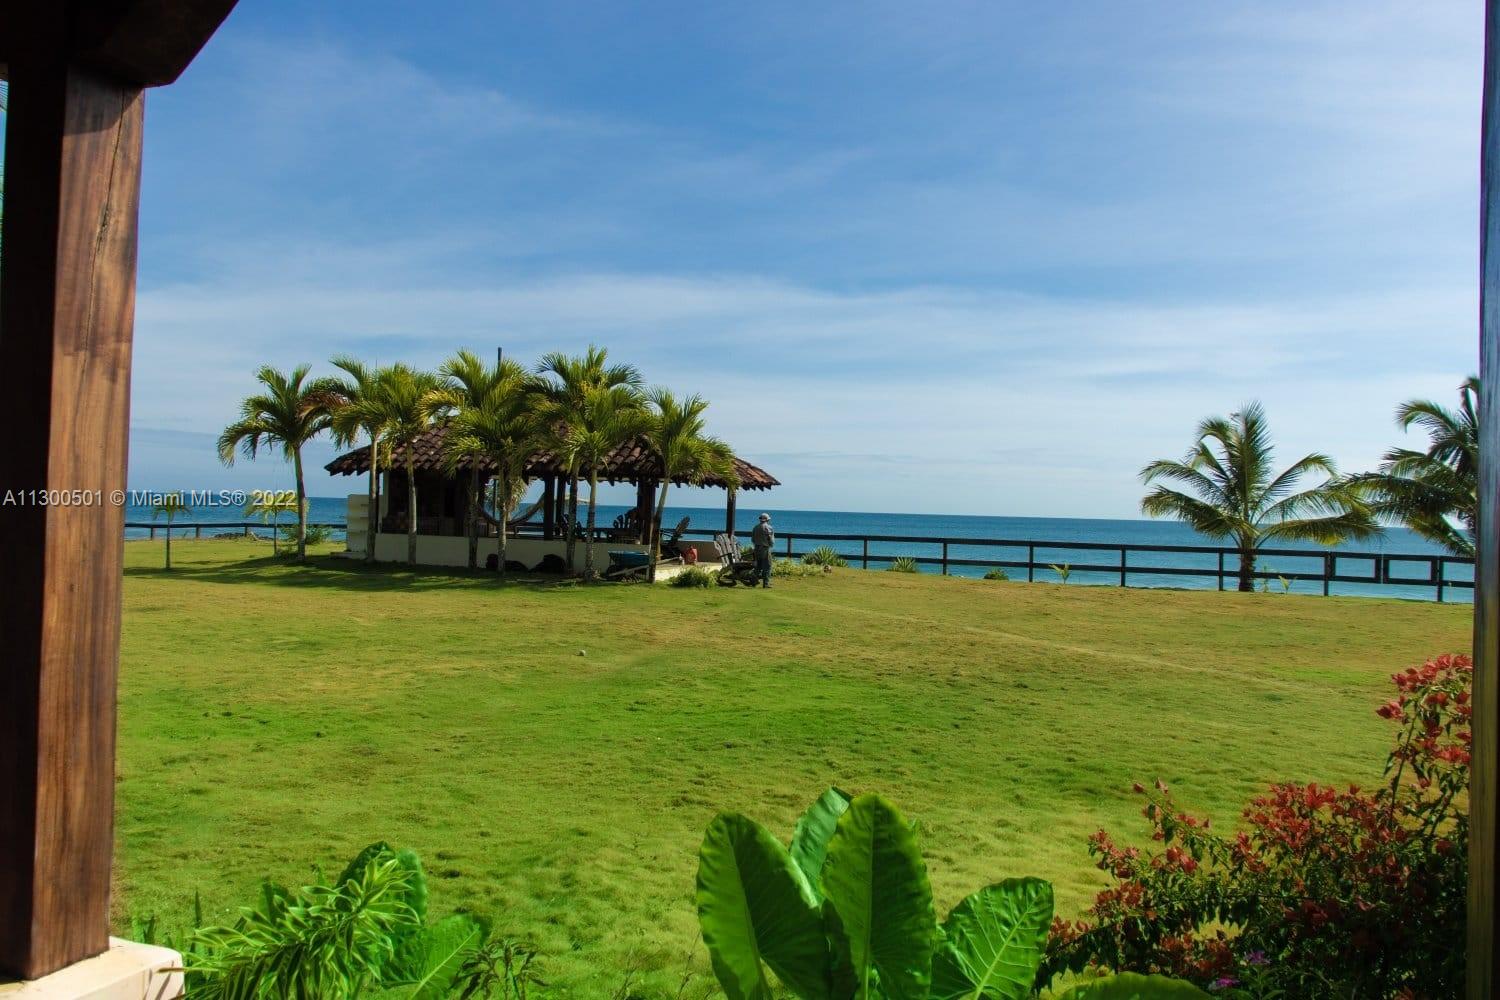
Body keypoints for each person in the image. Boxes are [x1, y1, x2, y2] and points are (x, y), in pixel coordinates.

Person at [751, 512, 775, 588]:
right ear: (767, 520)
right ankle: (766, 584)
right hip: (765, 549)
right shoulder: (769, 528)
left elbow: (753, 539)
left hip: (757, 548)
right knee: (767, 566)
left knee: (758, 566)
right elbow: (770, 540)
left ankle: (754, 581)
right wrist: (770, 545)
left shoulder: (755, 527)